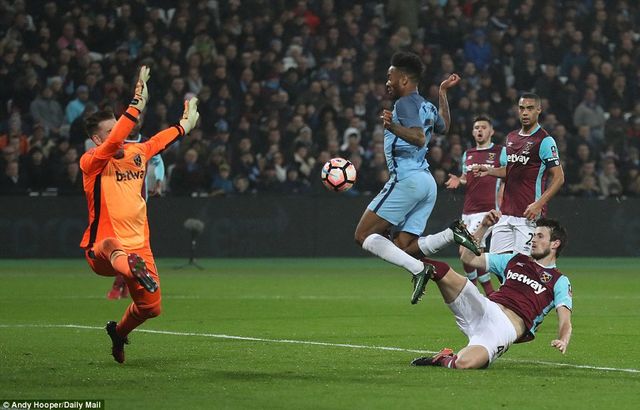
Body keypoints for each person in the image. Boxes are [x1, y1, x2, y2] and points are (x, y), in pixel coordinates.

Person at [79, 66, 200, 363]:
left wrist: (184, 125)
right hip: (100, 250)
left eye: (118, 127)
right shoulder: (91, 161)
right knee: (110, 244)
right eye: (110, 131)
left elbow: (159, 141)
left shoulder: (137, 153)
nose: (119, 132)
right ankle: (130, 268)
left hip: (138, 246)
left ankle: (118, 333)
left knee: (151, 308)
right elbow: (117, 136)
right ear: (98, 140)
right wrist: (135, 104)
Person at [354, 51, 478, 305]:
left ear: (403, 79)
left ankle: (420, 270)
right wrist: (443, 92)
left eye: (390, 76)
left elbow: (419, 137)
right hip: (426, 182)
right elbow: (444, 125)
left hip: (408, 178)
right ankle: (450, 235)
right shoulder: (426, 105)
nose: (387, 82)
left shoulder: (404, 104)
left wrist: (392, 126)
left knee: (363, 234)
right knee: (403, 247)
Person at [411, 210, 572, 369]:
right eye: (534, 234)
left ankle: (443, 358)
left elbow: (565, 320)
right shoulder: (515, 260)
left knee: (464, 363)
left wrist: (563, 339)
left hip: (504, 329)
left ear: (555, 244)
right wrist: (484, 227)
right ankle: (401, 252)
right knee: (439, 269)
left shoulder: (559, 281)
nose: (533, 240)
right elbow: (468, 258)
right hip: (485, 307)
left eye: (540, 236)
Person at [473, 93, 565, 255]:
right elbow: (510, 170)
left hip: (528, 214)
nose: (525, 113)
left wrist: (539, 204)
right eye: (522, 108)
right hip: (506, 213)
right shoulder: (511, 137)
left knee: (523, 270)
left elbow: (559, 178)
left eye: (530, 109)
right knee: (496, 264)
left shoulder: (544, 140)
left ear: (538, 110)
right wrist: (490, 170)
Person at [106, 112, 167, 300]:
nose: (135, 124)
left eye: (138, 120)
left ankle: (121, 285)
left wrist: (158, 180)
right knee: (125, 248)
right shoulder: (117, 143)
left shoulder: (145, 143)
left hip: (139, 203)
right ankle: (127, 283)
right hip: (118, 203)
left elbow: (158, 160)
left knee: (127, 248)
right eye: (132, 120)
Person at [445, 115, 506, 295]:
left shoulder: (499, 152)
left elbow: (509, 173)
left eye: (483, 127)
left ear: (491, 131)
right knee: (466, 252)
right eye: (476, 127)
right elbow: (466, 178)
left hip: (487, 211)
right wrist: (460, 180)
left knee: (468, 249)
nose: (479, 130)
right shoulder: (468, 154)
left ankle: (477, 290)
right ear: (473, 132)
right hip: (468, 211)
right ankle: (482, 291)